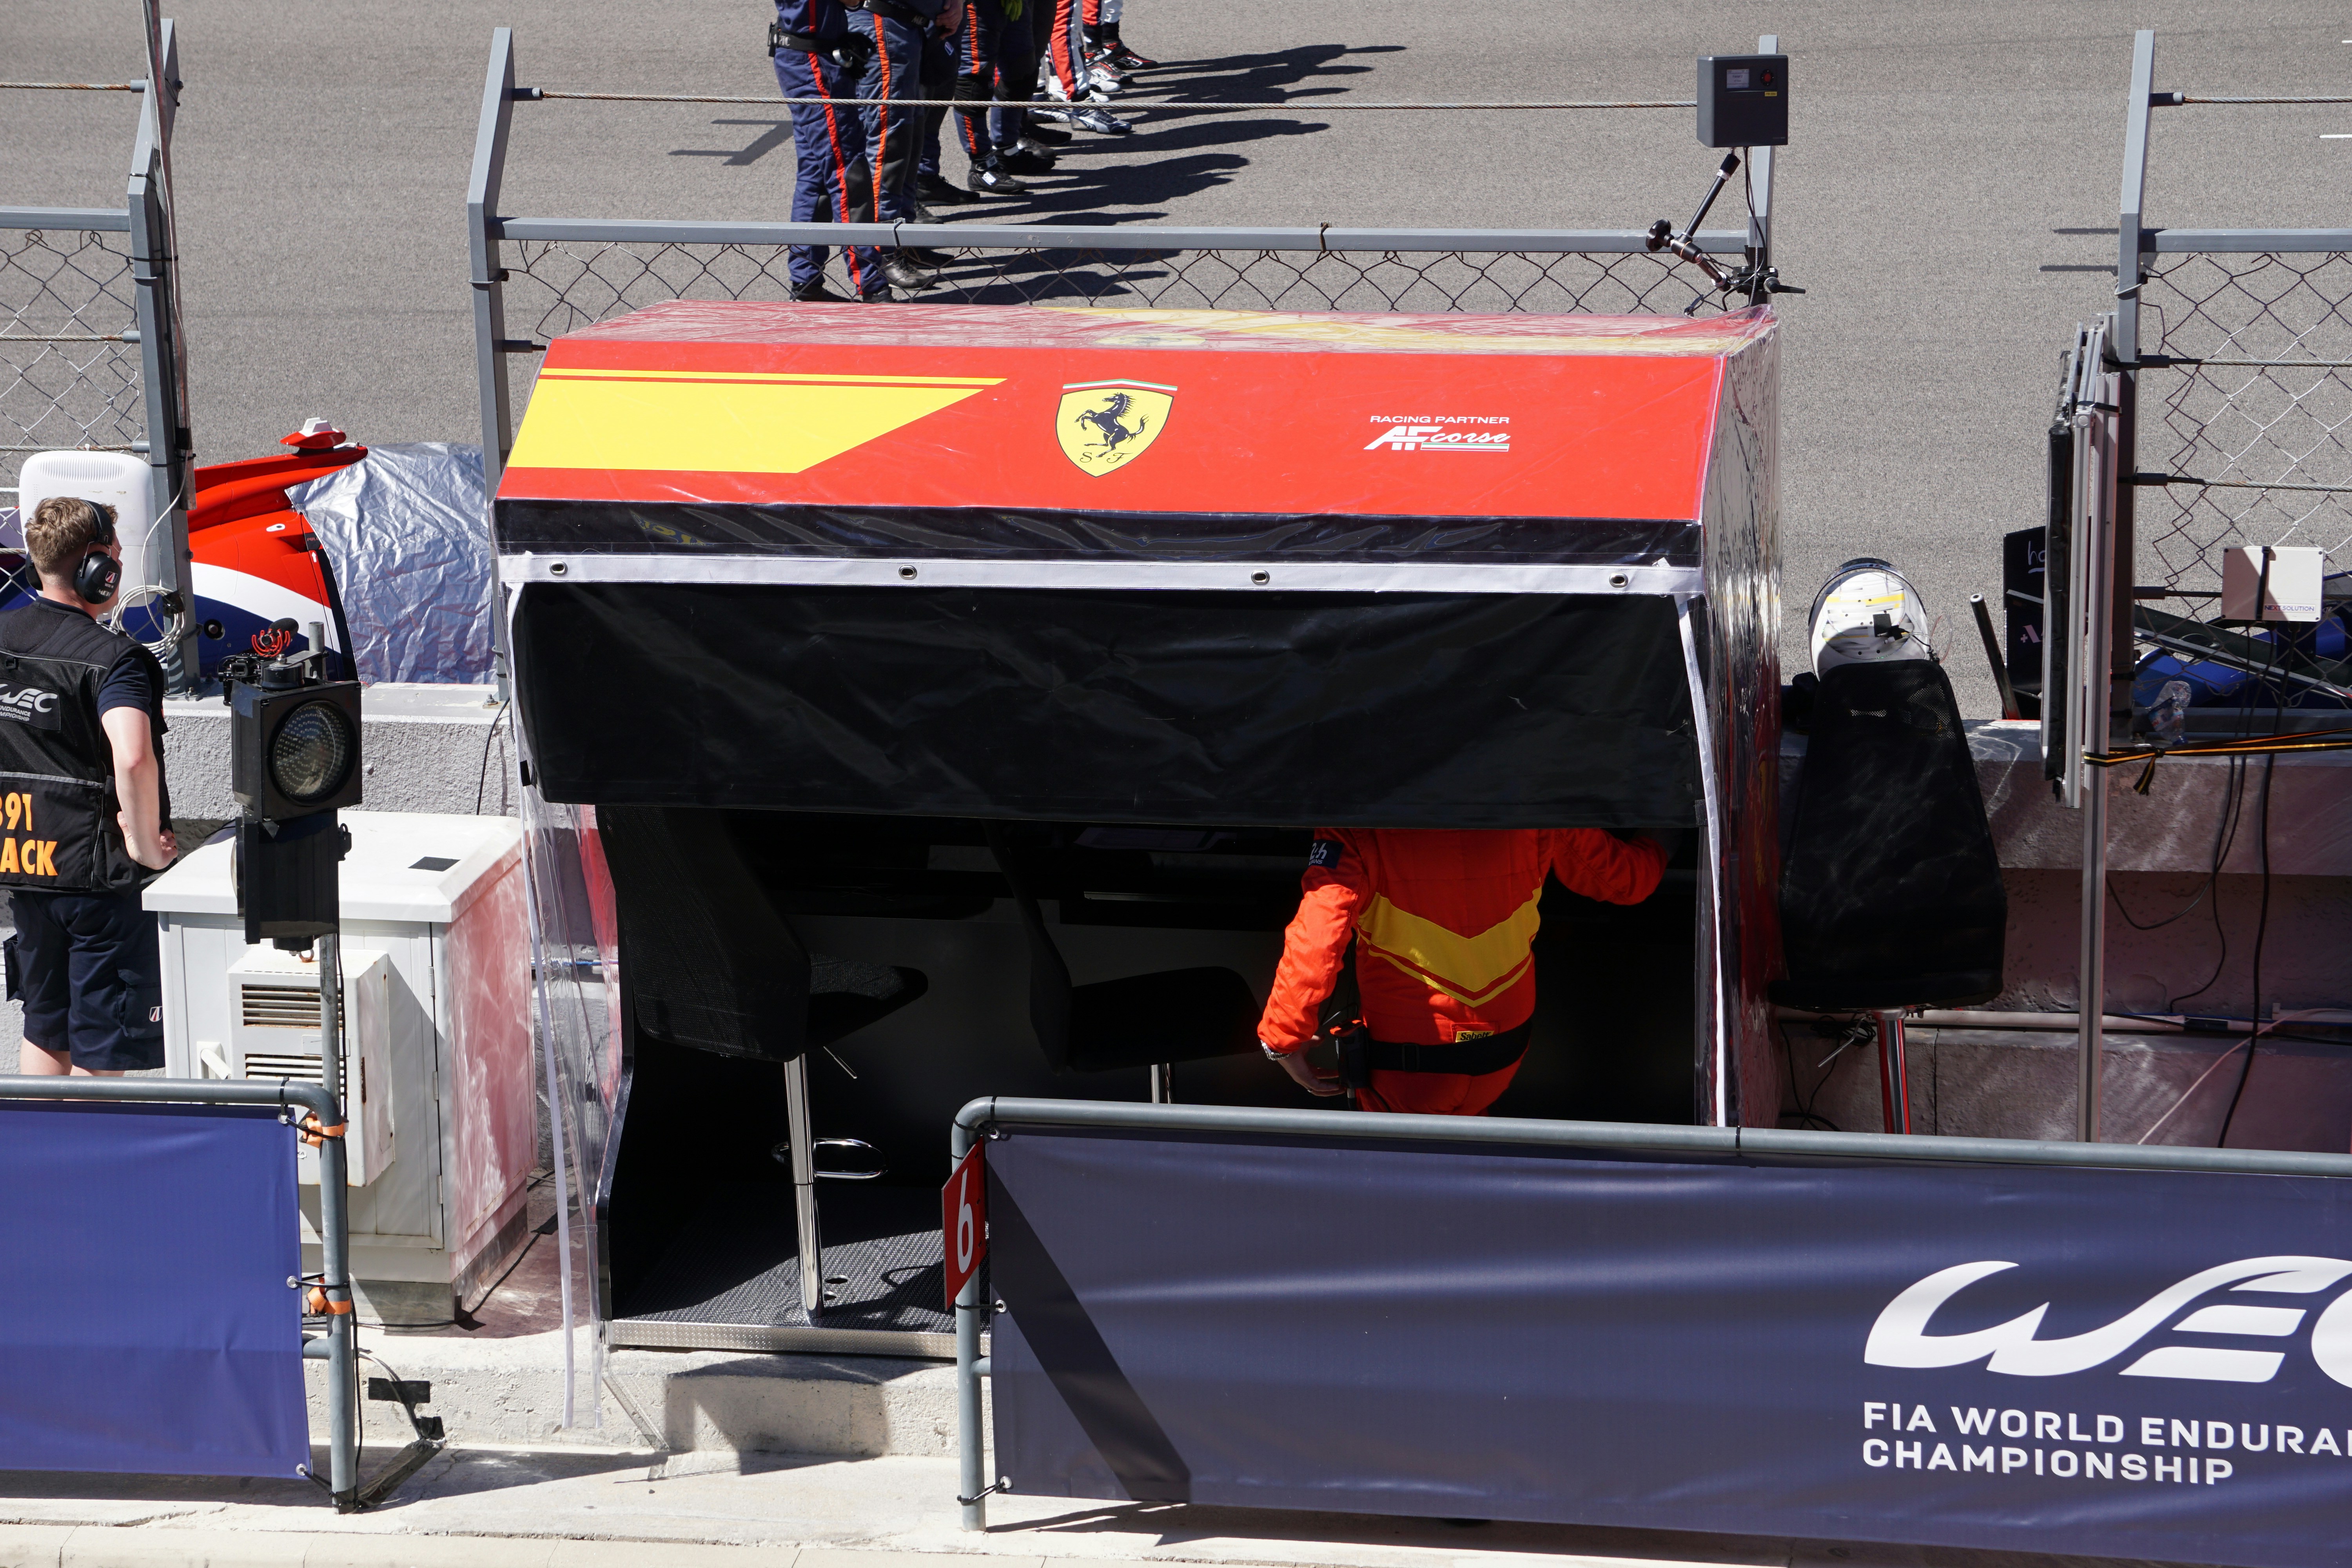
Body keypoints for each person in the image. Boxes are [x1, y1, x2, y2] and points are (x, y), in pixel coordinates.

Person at [1257, 828, 1666, 1116]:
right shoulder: (1537, 796)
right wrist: (1666, 835)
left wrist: (1283, 1039)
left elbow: (1316, 937)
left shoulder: (1358, 822)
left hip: (1407, 1068)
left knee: (1397, 1188)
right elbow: (1628, 881)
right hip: (1503, 1055)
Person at [2, 496, 177, 1078]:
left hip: (26, 863)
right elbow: (132, 757)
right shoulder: (113, 659)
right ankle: (94, 1166)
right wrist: (146, 843)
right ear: (96, 568)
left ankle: (34, 1166)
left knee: (45, 1026)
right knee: (104, 1051)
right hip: (98, 883)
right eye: (117, 556)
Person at [845, 0, 965, 290]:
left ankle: (904, 239)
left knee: (910, 142)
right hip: (884, 19)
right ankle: (881, 252)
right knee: (889, 146)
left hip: (915, 27)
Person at [770, 0, 885, 300]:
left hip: (814, 55)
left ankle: (806, 282)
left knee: (816, 175)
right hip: (812, 61)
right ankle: (872, 286)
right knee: (849, 174)